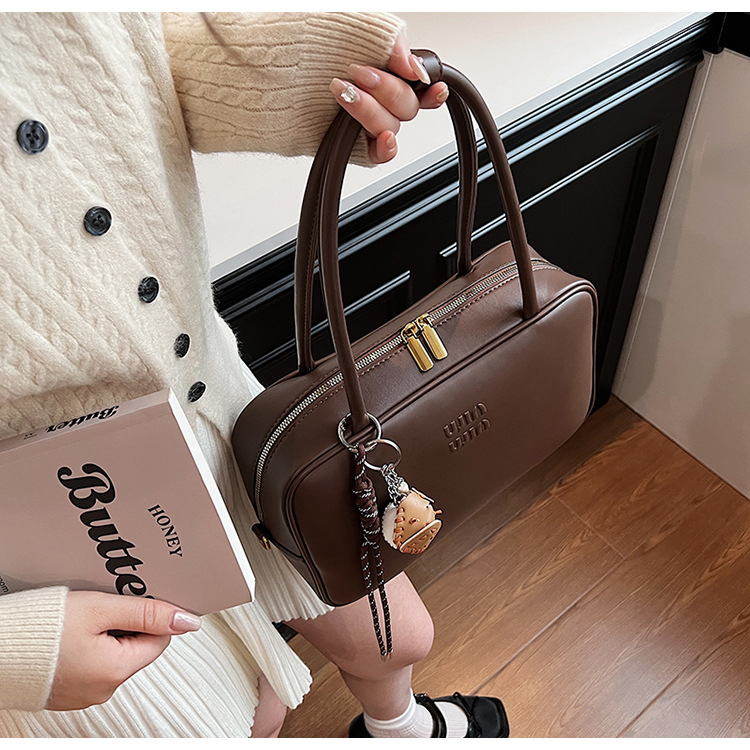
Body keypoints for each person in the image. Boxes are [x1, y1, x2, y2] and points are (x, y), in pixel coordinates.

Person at [0, 12, 508, 738]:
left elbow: (134, 49)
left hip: (216, 413)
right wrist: (11, 652)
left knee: (393, 634)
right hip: (51, 554)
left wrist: (336, 72)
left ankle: (398, 731)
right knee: (245, 715)